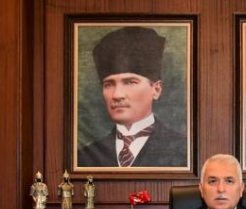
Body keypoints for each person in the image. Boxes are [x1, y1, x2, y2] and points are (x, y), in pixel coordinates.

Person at [77, 26, 187, 168]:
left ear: (156, 89)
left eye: (130, 82)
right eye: (109, 84)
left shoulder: (183, 151)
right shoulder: (85, 158)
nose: (117, 95)